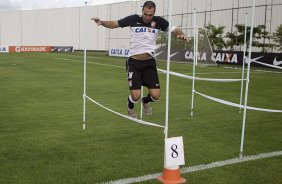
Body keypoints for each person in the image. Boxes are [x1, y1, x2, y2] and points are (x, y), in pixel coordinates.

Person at [92, 1, 187, 118]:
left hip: (149, 62)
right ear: (142, 11)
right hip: (134, 62)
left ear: (154, 13)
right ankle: (130, 106)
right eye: (145, 14)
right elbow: (114, 24)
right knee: (135, 95)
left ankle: (146, 101)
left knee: (156, 96)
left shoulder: (159, 21)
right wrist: (101, 22)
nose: (147, 17)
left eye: (150, 15)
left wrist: (180, 34)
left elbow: (174, 29)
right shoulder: (133, 19)